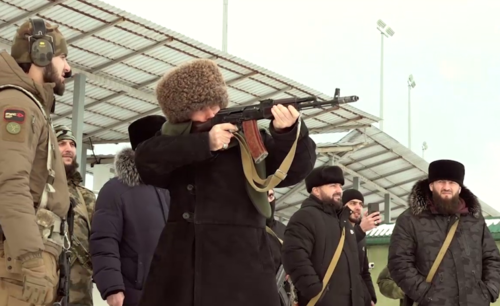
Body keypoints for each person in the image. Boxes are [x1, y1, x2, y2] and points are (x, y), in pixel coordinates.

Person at [134, 58, 317, 306]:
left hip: (243, 262)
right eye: (201, 107)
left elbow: (295, 171)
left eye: (215, 104)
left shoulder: (246, 140)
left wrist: (287, 132)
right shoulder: (171, 141)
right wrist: (204, 143)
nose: (212, 112)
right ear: (180, 113)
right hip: (184, 263)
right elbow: (147, 162)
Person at [0, 17, 71, 306]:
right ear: (41, 53)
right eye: (63, 57)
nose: (68, 68)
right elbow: (10, 185)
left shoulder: (31, 105)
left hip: (23, 261)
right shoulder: (18, 106)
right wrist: (31, 261)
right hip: (19, 264)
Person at [388, 159, 500, 306]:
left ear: (459, 188)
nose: (446, 187)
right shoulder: (410, 219)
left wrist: (489, 291)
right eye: (441, 181)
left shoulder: (474, 220)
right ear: (431, 185)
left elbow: (492, 258)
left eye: (452, 183)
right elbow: (399, 263)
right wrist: (425, 294)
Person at [90, 115, 170, 306]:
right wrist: (112, 287)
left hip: (175, 288)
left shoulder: (176, 185)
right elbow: (104, 241)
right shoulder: (116, 190)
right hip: (135, 292)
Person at [282, 165, 364, 306]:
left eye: (340, 186)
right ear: (316, 190)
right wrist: (314, 290)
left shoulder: (343, 221)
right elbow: (294, 256)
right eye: (332, 186)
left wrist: (364, 298)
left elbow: (355, 270)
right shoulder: (304, 217)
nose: (339, 190)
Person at [54, 125, 96, 306]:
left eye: (72, 144)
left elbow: (99, 238)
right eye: (62, 143)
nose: (69, 148)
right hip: (43, 284)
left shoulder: (86, 196)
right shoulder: (35, 190)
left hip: (79, 292)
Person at [342, 189, 378, 306]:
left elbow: (363, 272)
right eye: (352, 203)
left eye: (361, 204)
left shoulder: (361, 236)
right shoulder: (335, 230)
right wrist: (360, 230)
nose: (358, 208)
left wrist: (371, 298)